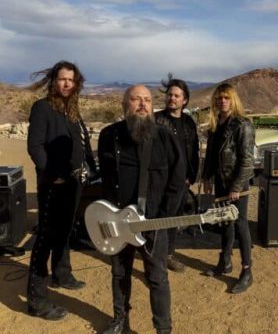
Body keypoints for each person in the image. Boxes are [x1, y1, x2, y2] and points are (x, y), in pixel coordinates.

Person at [98, 85, 185, 334]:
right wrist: (109, 213)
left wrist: (164, 218)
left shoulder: (164, 137)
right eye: (136, 99)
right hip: (118, 222)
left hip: (153, 223)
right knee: (119, 273)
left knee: (157, 277)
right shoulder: (109, 135)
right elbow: (105, 178)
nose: (143, 104)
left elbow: (178, 181)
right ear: (125, 105)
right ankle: (120, 321)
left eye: (147, 99)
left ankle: (163, 328)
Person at [26, 61, 96, 320]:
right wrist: (51, 175)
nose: (67, 83)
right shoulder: (42, 108)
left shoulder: (72, 109)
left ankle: (62, 274)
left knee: (66, 229)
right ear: (53, 81)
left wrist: (91, 167)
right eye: (62, 79)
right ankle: (36, 300)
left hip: (74, 182)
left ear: (76, 83)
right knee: (45, 237)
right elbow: (35, 146)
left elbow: (82, 142)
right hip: (53, 184)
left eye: (71, 79)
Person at [202, 83, 255, 294]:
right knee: (225, 222)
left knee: (240, 224)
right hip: (221, 182)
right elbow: (211, 155)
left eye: (226, 98)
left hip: (236, 185)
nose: (222, 101)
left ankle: (247, 271)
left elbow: (247, 161)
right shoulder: (216, 124)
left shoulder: (243, 125)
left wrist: (236, 186)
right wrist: (206, 177)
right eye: (219, 98)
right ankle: (224, 262)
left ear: (233, 100)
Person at [155, 76, 199, 272]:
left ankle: (168, 255)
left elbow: (194, 151)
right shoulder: (157, 120)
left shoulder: (189, 123)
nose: (172, 98)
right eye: (170, 95)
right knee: (158, 219)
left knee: (173, 220)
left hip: (182, 181)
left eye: (176, 96)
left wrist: (191, 176)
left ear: (185, 100)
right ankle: (156, 256)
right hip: (160, 182)